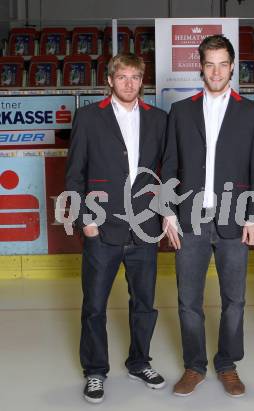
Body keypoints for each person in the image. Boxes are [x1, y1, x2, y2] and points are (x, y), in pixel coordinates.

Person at [161, 34, 254, 398]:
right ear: (201, 67)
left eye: (224, 63)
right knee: (188, 300)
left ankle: (227, 364)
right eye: (210, 64)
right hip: (189, 220)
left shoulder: (252, 113)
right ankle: (194, 366)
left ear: (233, 66)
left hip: (235, 221)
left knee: (234, 300)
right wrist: (168, 213)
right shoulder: (181, 111)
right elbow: (171, 165)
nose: (217, 71)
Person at [65, 53, 167, 404]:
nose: (129, 83)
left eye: (135, 77)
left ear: (142, 80)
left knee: (144, 304)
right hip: (102, 230)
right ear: (109, 80)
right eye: (122, 77)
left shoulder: (159, 120)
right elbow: (75, 174)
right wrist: (86, 221)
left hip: (144, 230)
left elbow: (165, 175)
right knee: (94, 305)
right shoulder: (89, 118)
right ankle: (95, 371)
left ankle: (140, 362)